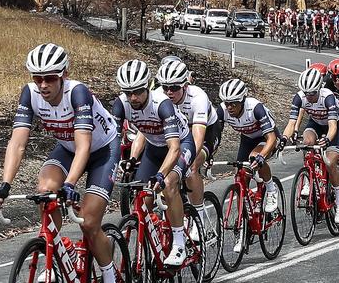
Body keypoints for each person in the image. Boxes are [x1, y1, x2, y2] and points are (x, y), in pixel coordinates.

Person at [0, 43, 121, 282]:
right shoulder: (30, 94)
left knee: (89, 223)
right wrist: (5, 185)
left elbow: (85, 147)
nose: (43, 85)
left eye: (50, 78)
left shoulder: (77, 93)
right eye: (37, 78)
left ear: (64, 75)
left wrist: (70, 184)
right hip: (68, 148)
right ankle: (55, 252)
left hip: (102, 150)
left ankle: (109, 274)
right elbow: (17, 144)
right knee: (45, 190)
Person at [112, 59, 196, 266]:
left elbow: (174, 148)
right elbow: (112, 142)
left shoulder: (162, 104)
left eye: (138, 91)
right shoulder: (121, 104)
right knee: (143, 200)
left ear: (148, 86)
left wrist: (160, 175)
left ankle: (178, 244)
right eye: (127, 92)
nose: (133, 98)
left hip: (180, 144)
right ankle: (153, 243)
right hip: (154, 147)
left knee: (168, 185)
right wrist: (127, 161)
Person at [154, 59, 222, 240]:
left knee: (191, 168)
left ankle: (199, 218)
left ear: (185, 85)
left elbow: (197, 139)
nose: (169, 92)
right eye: (165, 87)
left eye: (175, 87)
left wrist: (185, 163)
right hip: (178, 134)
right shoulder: (158, 97)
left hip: (205, 132)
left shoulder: (197, 97)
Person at [281, 68, 339, 223]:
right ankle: (309, 179)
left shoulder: (328, 97)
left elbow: (332, 127)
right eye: (306, 93)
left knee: (330, 162)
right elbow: (291, 123)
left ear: (319, 89)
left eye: (312, 93)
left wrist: (327, 140)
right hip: (316, 122)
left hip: (334, 124)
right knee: (307, 143)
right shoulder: (299, 97)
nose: (308, 97)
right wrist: (284, 138)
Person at [216, 79, 279, 219]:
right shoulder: (222, 110)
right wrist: (209, 155)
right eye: (227, 103)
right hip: (247, 139)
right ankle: (245, 218)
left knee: (254, 157)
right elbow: (215, 137)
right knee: (240, 175)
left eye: (233, 103)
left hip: (267, 137)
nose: (229, 107)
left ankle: (270, 189)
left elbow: (271, 138)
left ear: (242, 101)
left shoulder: (255, 108)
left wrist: (262, 156)